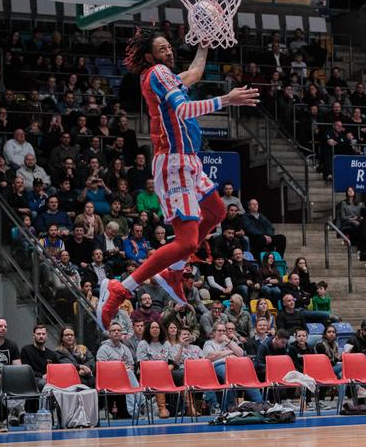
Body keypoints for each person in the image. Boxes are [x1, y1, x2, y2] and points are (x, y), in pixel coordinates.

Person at [95, 29, 259, 329]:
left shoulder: (166, 76)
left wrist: (204, 44)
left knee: (217, 212)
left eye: (169, 47)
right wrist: (227, 98)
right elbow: (182, 111)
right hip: (173, 163)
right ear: (149, 56)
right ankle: (121, 288)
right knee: (186, 241)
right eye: (162, 48)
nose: (169, 51)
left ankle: (175, 272)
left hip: (189, 159)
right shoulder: (157, 73)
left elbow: (195, 72)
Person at [20, 324, 58, 391]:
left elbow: (57, 369)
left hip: (49, 380)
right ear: (33, 336)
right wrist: (42, 376)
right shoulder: (26, 350)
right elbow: (25, 370)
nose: (41, 336)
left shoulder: (51, 354)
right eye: (38, 334)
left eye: (43, 334)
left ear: (46, 336)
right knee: (44, 383)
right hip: (32, 379)